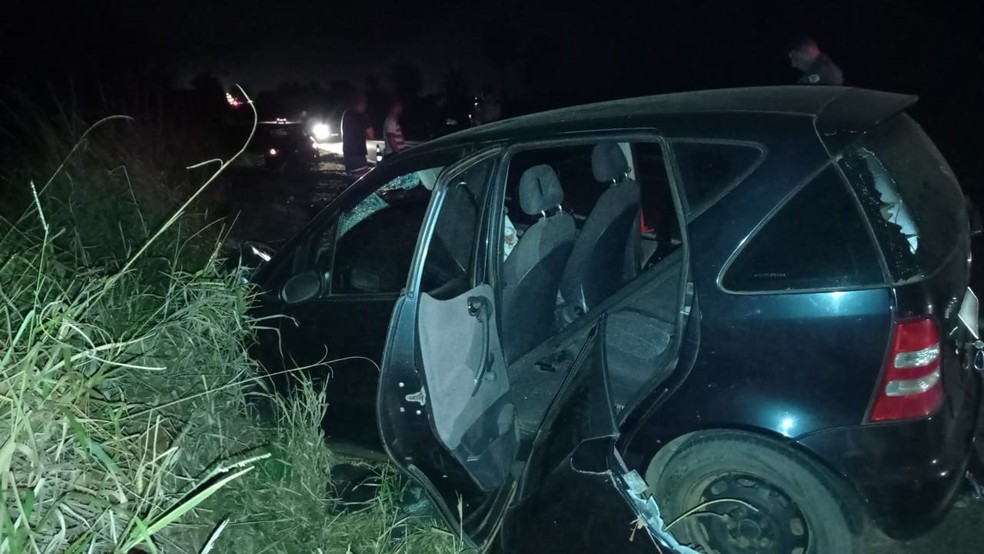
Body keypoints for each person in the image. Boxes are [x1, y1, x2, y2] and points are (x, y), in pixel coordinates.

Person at [341, 93, 375, 178]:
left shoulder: (346, 113)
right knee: (360, 181)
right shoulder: (362, 115)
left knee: (351, 181)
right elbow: (371, 135)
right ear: (362, 103)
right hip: (358, 155)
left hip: (347, 154)